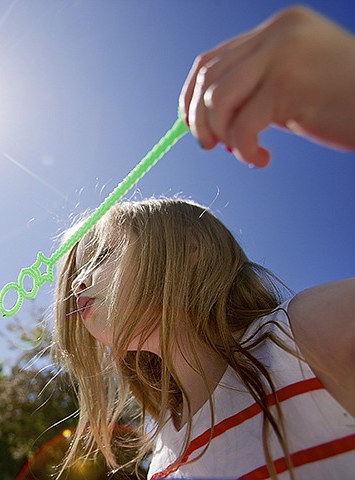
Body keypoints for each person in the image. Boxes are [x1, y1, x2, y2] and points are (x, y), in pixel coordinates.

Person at [52, 6, 355, 479]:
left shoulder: (305, 340)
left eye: (104, 254)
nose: (81, 282)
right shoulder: (163, 462)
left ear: (191, 253)